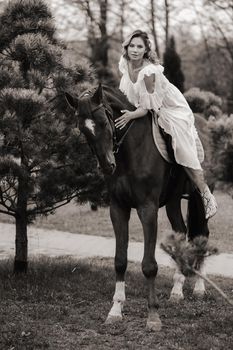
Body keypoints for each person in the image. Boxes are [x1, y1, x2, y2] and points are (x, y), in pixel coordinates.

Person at [115, 30, 217, 219]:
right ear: (126, 47)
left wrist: (130, 116)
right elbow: (131, 98)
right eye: (132, 46)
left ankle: (205, 193)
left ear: (146, 50)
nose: (135, 50)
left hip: (170, 107)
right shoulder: (125, 66)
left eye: (140, 47)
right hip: (148, 106)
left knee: (179, 140)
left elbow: (147, 107)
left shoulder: (148, 71)